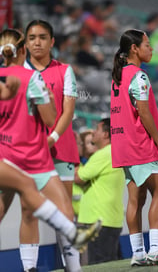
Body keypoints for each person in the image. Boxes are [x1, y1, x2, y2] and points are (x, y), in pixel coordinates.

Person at [0, 29, 101, 271]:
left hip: (13, 154)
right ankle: (70, 239)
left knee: (25, 206)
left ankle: (71, 263)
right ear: (23, 50)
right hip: (29, 155)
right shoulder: (31, 79)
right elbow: (50, 118)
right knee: (51, 204)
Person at [110, 29, 158, 266]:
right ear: (135, 49)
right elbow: (143, 111)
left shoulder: (118, 75)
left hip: (122, 146)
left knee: (136, 199)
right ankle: (156, 249)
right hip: (140, 145)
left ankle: (138, 254)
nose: (151, 49)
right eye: (148, 45)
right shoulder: (139, 76)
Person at [23, 20, 82, 271]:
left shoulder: (65, 70)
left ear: (52, 42)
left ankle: (73, 267)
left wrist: (53, 138)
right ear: (25, 42)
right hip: (27, 150)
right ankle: (29, 267)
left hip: (60, 147)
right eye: (33, 37)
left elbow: (68, 111)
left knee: (64, 210)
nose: (37, 42)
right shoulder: (16, 73)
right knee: (28, 208)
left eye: (43, 37)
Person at [75, 118, 125, 265]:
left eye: (96, 129)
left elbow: (78, 177)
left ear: (105, 134)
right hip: (108, 219)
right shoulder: (111, 152)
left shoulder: (103, 154)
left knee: (99, 265)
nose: (93, 132)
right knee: (108, 263)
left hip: (98, 221)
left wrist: (72, 162)